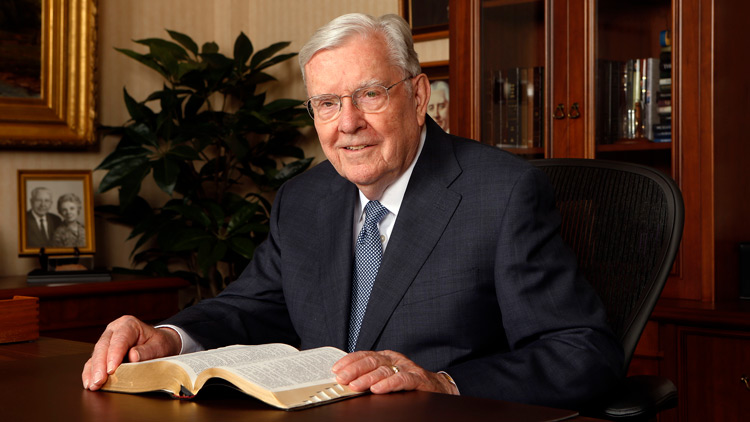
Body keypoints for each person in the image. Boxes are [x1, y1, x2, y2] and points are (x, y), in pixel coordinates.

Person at [82, 13, 623, 408]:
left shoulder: (501, 196)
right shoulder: (304, 199)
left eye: (368, 94)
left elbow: (581, 351)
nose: (347, 123)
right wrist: (168, 337)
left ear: (417, 97)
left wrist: (443, 382)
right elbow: (248, 307)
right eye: (327, 103)